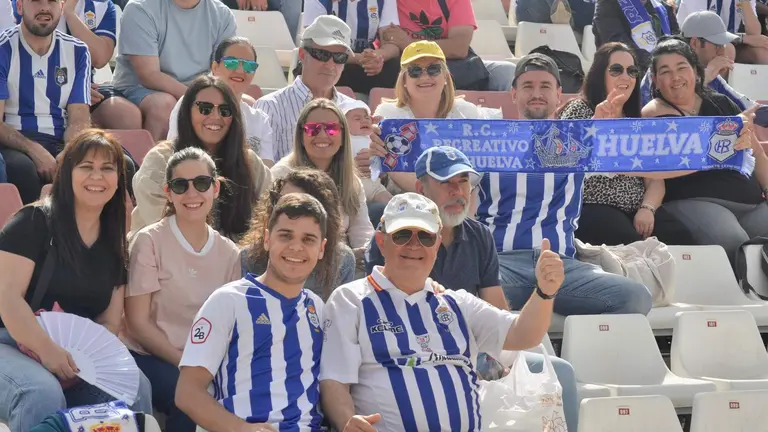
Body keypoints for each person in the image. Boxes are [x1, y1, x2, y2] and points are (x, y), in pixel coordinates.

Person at [364, 147, 580, 431]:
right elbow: (392, 316)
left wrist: (544, 290)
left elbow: (495, 308)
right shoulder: (395, 239)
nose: (457, 191)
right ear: (420, 188)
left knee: (560, 373)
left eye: (464, 181)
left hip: (474, 345)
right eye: (447, 182)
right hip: (420, 356)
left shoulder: (479, 235)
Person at [320, 192, 564, 431]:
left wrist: (545, 291)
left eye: (425, 237)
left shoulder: (458, 303)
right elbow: (334, 381)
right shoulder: (351, 300)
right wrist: (346, 422)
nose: (414, 245)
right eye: (402, 235)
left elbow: (524, 334)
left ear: (436, 245)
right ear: (382, 241)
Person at [0, 129, 152, 431]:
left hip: (72, 358)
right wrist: (48, 351)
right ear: (67, 173)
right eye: (86, 167)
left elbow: (109, 322)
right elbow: (7, 299)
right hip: (9, 342)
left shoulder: (115, 243)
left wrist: (82, 362)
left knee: (135, 389)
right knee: (41, 392)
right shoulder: (32, 222)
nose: (97, 177)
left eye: (107, 169)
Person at [176, 193, 329, 431]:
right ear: (267, 240)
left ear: (322, 249)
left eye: (308, 239)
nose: (296, 247)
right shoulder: (228, 301)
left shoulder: (317, 307)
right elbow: (187, 393)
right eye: (285, 235)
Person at [123, 147, 241, 432]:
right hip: (148, 356)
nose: (192, 193)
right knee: (189, 399)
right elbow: (138, 324)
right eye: (180, 185)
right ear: (169, 192)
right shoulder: (148, 241)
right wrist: (189, 365)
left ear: (215, 187)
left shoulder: (230, 254)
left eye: (201, 183)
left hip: (202, 363)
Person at [642, 37, 768, 267]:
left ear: (696, 72)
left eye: (682, 68)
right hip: (695, 200)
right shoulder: (655, 113)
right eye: (666, 71)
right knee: (733, 241)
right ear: (655, 81)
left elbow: (757, 154)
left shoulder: (721, 103)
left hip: (750, 201)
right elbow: (662, 170)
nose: (676, 77)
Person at [557, 42, 695, 247]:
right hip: (592, 207)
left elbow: (655, 180)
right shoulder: (580, 110)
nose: (625, 77)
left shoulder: (635, 121)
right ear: (599, 74)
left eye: (632, 71)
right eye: (616, 70)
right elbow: (565, 163)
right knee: (632, 246)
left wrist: (647, 209)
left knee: (682, 238)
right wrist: (596, 128)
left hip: (636, 210)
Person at [131, 75, 272, 240]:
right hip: (162, 255)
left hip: (234, 257)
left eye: (225, 110)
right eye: (205, 108)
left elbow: (269, 214)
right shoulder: (161, 160)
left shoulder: (250, 162)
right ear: (187, 112)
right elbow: (160, 229)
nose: (215, 116)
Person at [0, 1, 92, 203]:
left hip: (61, 140)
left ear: (61, 6)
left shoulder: (78, 51)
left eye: (51, 1)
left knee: (121, 164)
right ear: (20, 6)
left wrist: (69, 153)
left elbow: (79, 119)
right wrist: (34, 151)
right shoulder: (3, 48)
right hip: (16, 141)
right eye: (36, 1)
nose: (44, 8)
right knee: (23, 171)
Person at [271, 98, 374, 270]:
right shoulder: (282, 175)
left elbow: (361, 227)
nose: (323, 135)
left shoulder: (351, 180)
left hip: (340, 264)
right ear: (301, 136)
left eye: (331, 128)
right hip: (292, 260)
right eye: (313, 129)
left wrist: (363, 250)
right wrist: (343, 256)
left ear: (343, 136)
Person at [112, 0, 236, 141]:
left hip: (199, 90)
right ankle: (153, 161)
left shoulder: (223, 14)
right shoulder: (140, 8)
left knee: (245, 103)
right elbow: (149, 75)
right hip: (141, 89)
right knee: (164, 105)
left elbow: (221, 72)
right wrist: (196, 98)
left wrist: (204, 97)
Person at [12, 0, 143, 131]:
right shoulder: (31, 4)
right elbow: (15, 53)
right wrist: (69, 88)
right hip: (33, 86)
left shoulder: (102, 5)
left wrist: (70, 13)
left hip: (87, 88)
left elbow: (100, 58)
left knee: (127, 116)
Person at [240, 168, 354, 298]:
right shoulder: (248, 258)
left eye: (300, 205)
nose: (287, 208)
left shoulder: (342, 261)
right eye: (280, 200)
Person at [255, 15, 355, 162]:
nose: (330, 63)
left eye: (339, 57)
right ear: (302, 54)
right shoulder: (268, 107)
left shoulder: (354, 109)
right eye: (322, 54)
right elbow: (263, 173)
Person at [168, 37, 275, 166]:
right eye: (231, 63)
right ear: (215, 66)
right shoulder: (190, 104)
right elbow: (175, 154)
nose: (240, 71)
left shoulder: (259, 120)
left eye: (249, 65)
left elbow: (266, 171)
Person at [381, 0, 517, 91]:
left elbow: (459, 48)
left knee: (507, 72)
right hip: (409, 68)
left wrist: (410, 44)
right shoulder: (387, 3)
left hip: (453, 67)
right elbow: (390, 41)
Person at [640, 11, 757, 111]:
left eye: (723, 45)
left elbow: (748, 107)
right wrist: (704, 79)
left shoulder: (709, 71)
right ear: (695, 43)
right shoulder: (662, 63)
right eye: (717, 45)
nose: (722, 51)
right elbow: (647, 111)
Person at [303, 0, 402, 94]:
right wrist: (357, 58)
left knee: (394, 65)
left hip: (365, 64)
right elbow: (314, 44)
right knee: (321, 59)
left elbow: (392, 43)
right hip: (333, 59)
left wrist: (377, 56)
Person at [593, 0, 681, 71]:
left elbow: (678, 41)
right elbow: (619, 47)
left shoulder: (663, 7)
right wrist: (659, 62)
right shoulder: (608, 5)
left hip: (664, 70)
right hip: (628, 73)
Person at [677, 0, 768, 64]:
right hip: (695, 41)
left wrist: (745, 2)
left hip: (727, 40)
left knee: (764, 50)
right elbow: (705, 31)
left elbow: (755, 34)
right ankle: (716, 88)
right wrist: (743, 38)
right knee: (726, 49)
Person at [340, 99, 392, 205]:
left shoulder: (373, 137)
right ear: (343, 125)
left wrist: (381, 121)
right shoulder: (344, 140)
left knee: (391, 203)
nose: (364, 120)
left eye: (367, 117)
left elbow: (387, 132)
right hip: (352, 188)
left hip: (375, 186)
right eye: (357, 118)